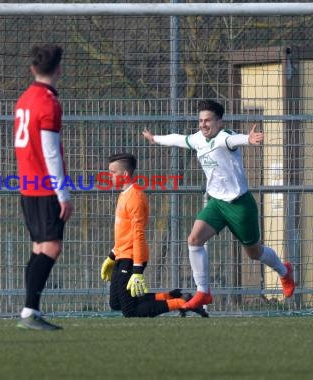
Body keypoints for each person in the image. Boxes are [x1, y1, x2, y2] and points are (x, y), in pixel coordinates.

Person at [142, 100, 295, 310]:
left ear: (219, 122)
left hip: (240, 205)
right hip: (217, 203)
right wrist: (154, 138)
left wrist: (248, 140)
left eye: (208, 121)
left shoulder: (224, 138)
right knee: (194, 239)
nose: (203, 124)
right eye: (200, 120)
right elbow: (178, 139)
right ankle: (203, 292)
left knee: (254, 253)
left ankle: (284, 271)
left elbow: (235, 140)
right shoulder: (197, 139)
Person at [99, 153, 207, 317]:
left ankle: (181, 303)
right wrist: (112, 255)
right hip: (121, 255)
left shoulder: (135, 197)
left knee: (130, 310)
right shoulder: (123, 194)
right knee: (116, 303)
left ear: (125, 174)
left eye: (113, 172)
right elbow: (124, 234)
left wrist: (136, 269)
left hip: (131, 257)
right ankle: (172, 296)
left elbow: (138, 236)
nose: (109, 176)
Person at [14, 44, 73, 330]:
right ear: (59, 69)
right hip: (44, 185)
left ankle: (31, 311)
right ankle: (29, 311)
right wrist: (63, 194)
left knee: (39, 248)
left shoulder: (24, 99)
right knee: (50, 247)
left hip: (27, 183)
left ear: (32, 69)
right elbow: (51, 152)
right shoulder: (48, 103)